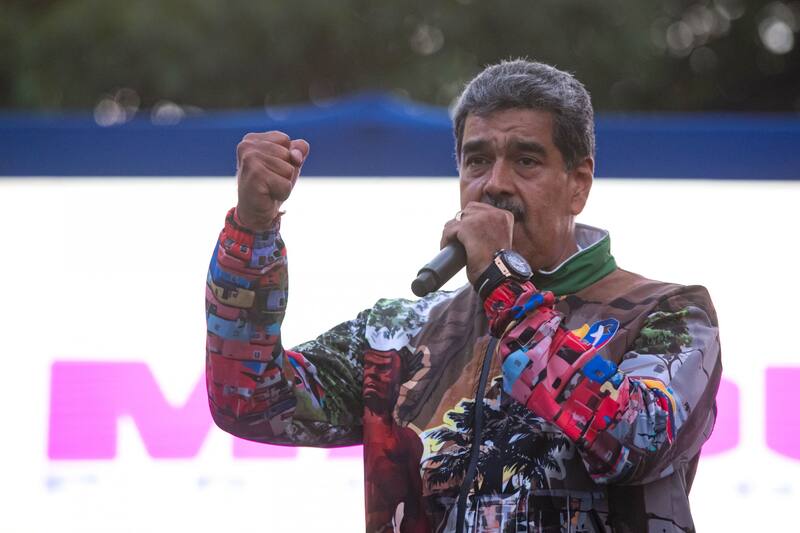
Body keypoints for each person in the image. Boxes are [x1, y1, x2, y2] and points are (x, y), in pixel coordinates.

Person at [205, 59, 721, 532]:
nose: (494, 184)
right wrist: (252, 231)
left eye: (526, 161)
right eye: (477, 161)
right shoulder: (401, 332)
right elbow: (250, 403)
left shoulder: (670, 311)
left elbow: (636, 441)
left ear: (578, 184)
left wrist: (503, 288)